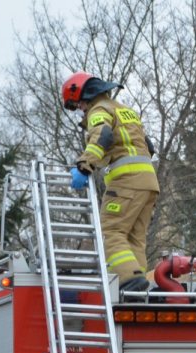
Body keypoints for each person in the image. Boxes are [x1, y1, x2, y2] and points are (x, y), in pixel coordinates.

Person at [62, 71, 160, 299]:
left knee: (110, 232)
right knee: (134, 238)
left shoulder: (99, 110)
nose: (80, 110)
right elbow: (149, 146)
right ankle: (136, 288)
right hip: (149, 182)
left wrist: (85, 165)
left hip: (127, 181)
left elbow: (102, 136)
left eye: (78, 105)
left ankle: (128, 280)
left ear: (84, 96)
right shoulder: (126, 112)